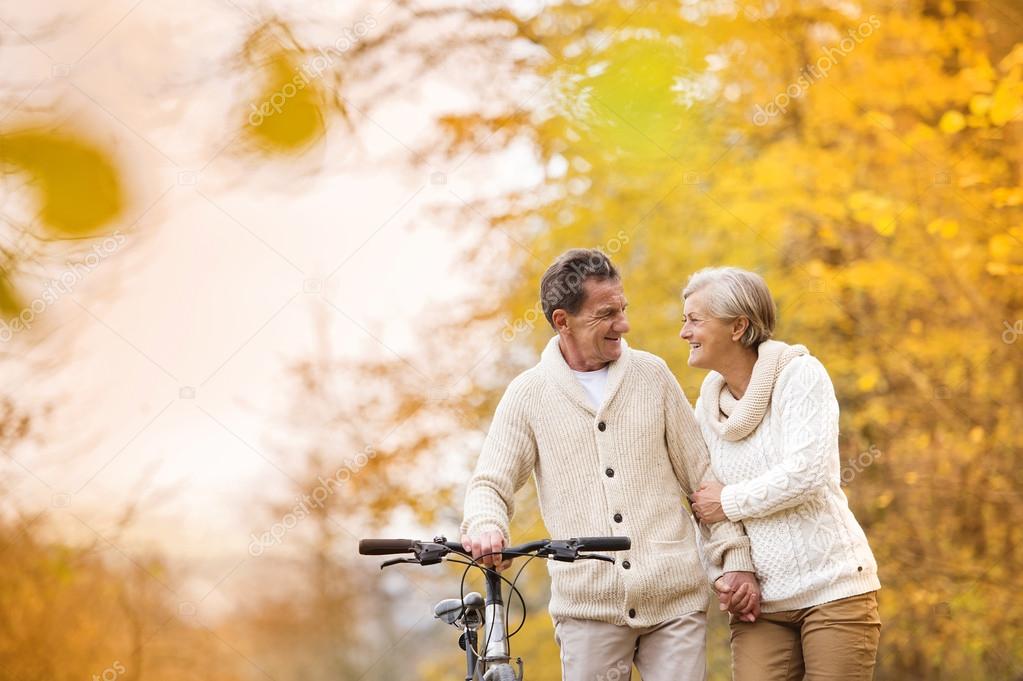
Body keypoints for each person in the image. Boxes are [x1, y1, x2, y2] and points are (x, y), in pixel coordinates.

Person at [461, 249, 758, 681]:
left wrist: (735, 559)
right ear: (563, 321)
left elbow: (702, 478)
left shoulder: (652, 376)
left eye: (623, 310)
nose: (624, 324)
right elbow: (490, 484)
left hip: (674, 602)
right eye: (607, 314)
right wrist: (487, 524)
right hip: (588, 610)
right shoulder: (529, 395)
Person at [684, 267, 882, 681]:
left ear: (738, 326)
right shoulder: (705, 408)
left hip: (834, 590)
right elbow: (700, 501)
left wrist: (729, 501)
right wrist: (729, 571)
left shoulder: (799, 375)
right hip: (761, 605)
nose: (685, 332)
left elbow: (806, 473)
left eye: (695, 320)